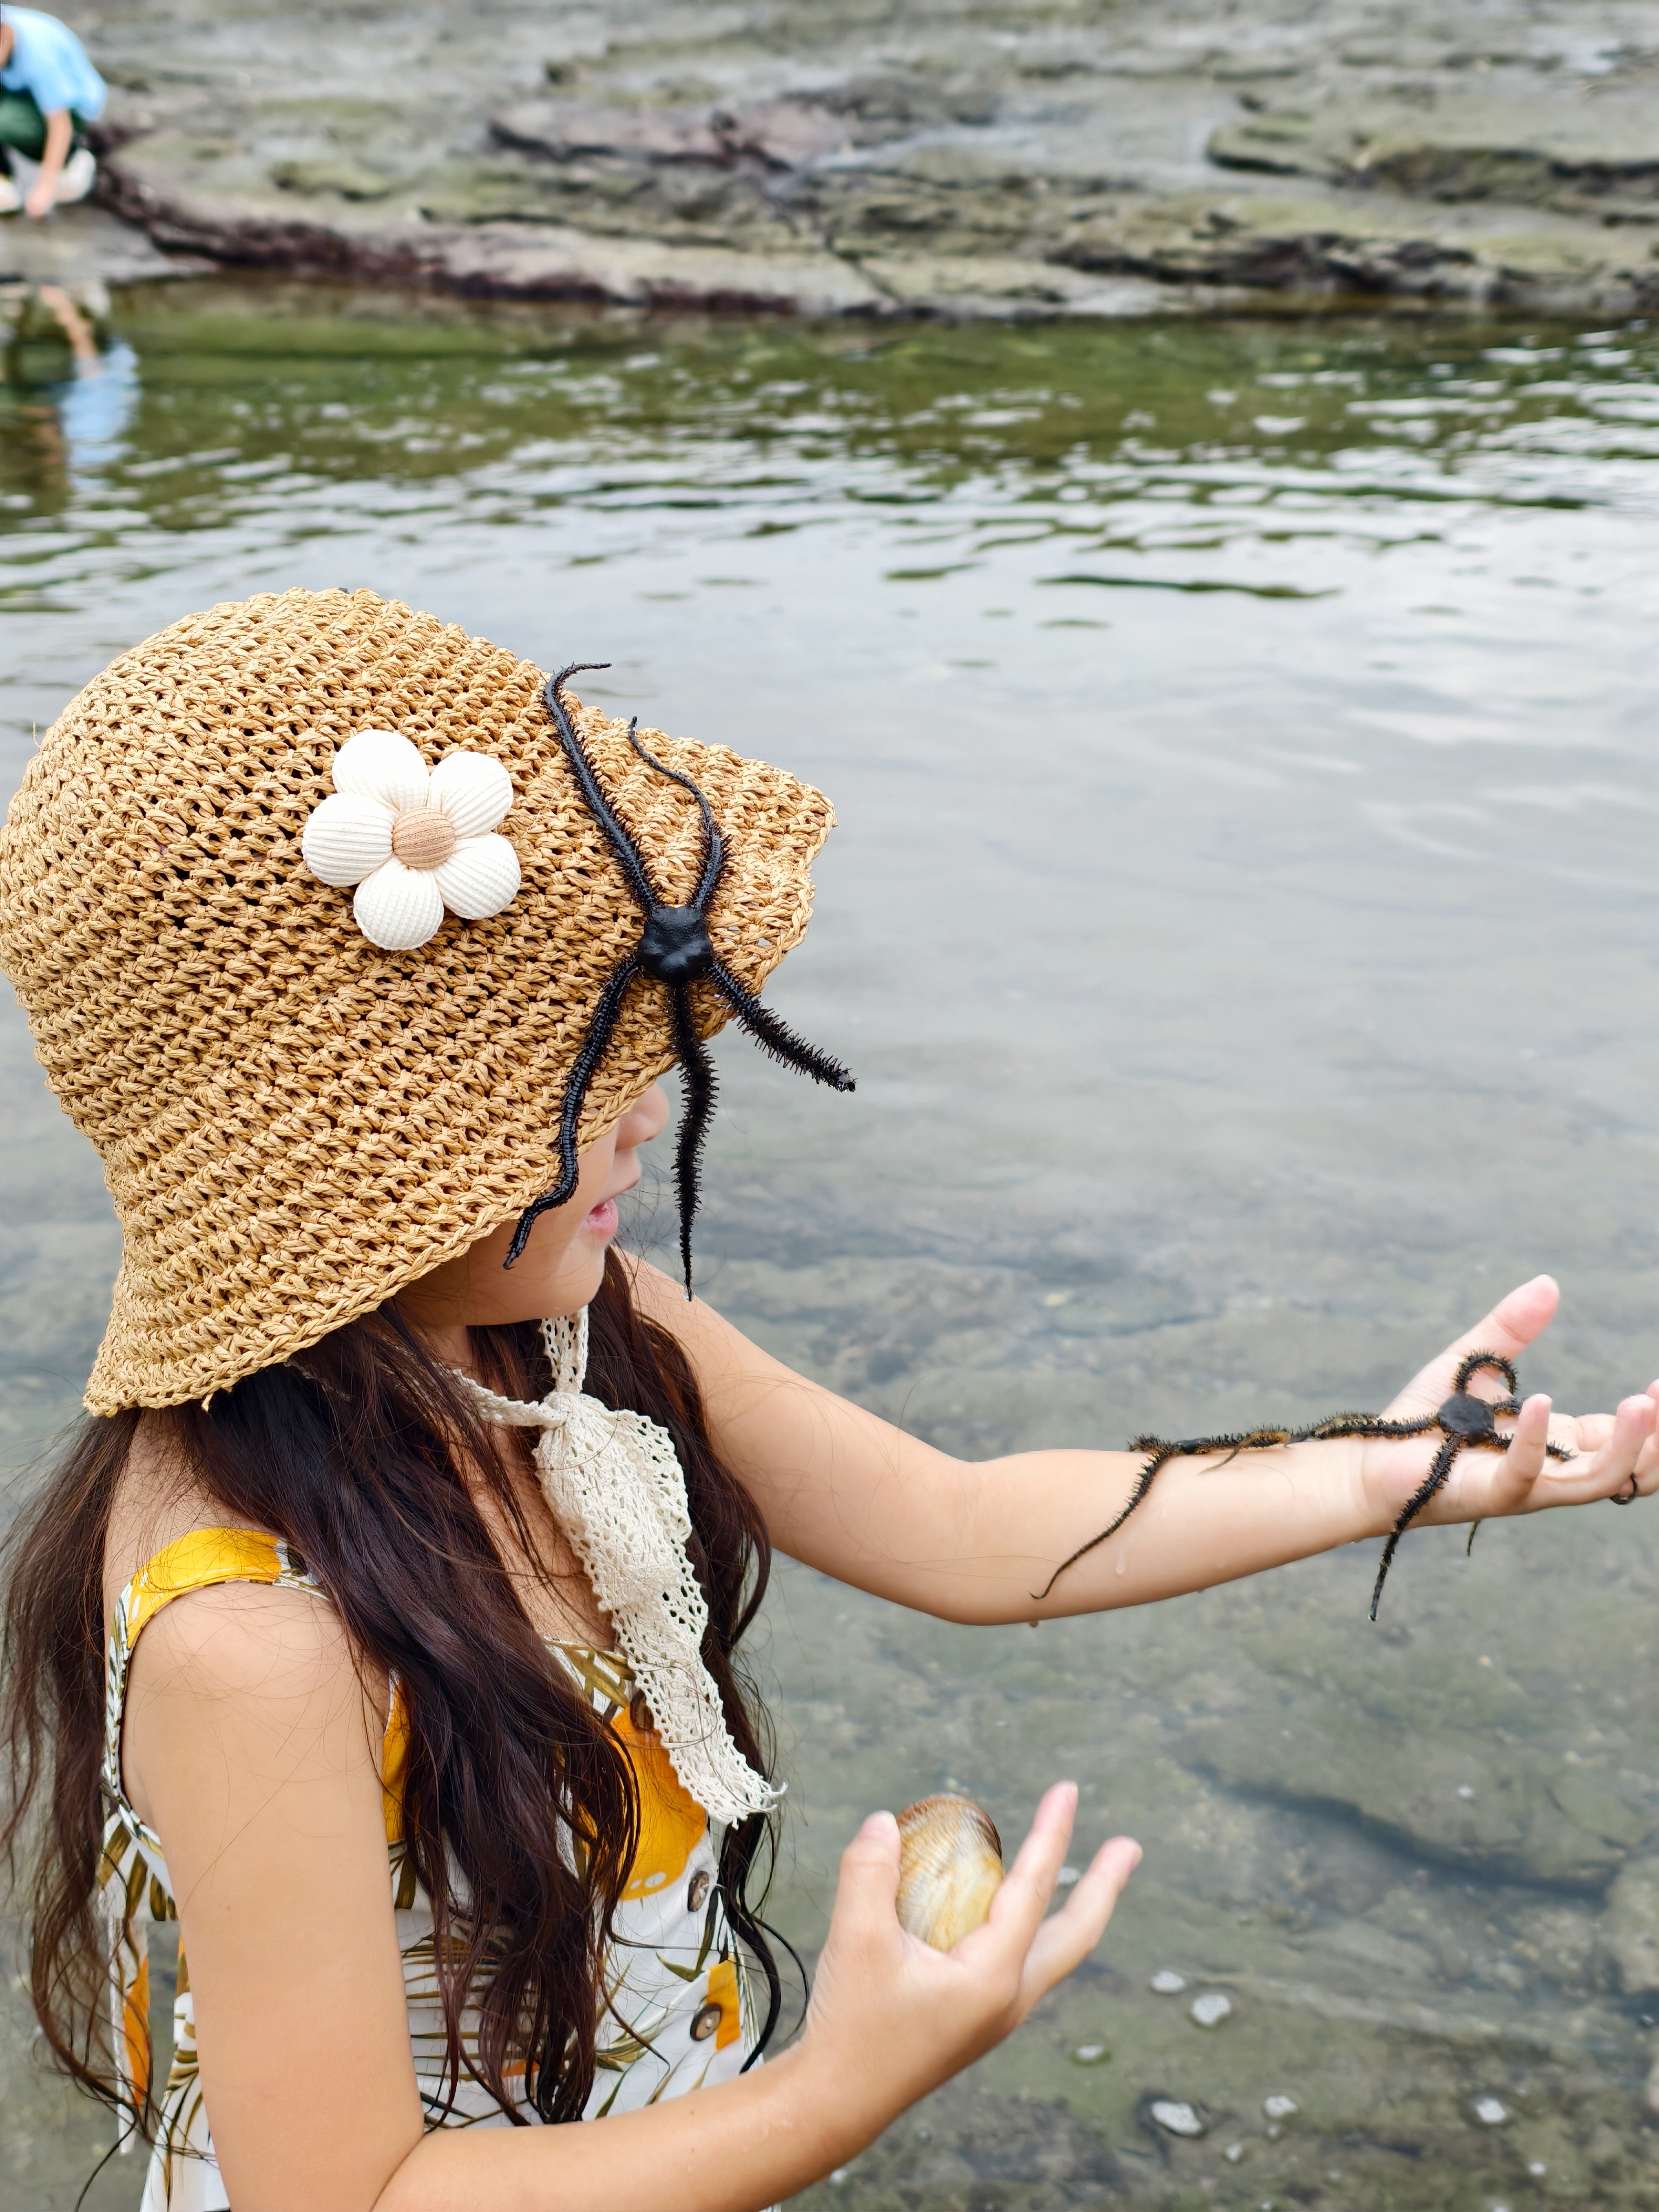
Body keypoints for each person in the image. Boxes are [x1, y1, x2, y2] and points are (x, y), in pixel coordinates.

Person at [0, 586, 1654, 2212]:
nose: (651, 1107)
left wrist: (1382, 1468)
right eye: (571, 1071)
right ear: (357, 1146)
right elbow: (349, 2194)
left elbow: (966, 1531)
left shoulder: (577, 1339)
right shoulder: (254, 1630)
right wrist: (845, 2083)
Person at [0, 4, 104, 218]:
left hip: (73, 112)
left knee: (4, 121)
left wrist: (44, 188)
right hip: (19, 90)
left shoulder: (40, 57)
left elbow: (61, 125)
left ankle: (73, 159)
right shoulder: (6, 24)